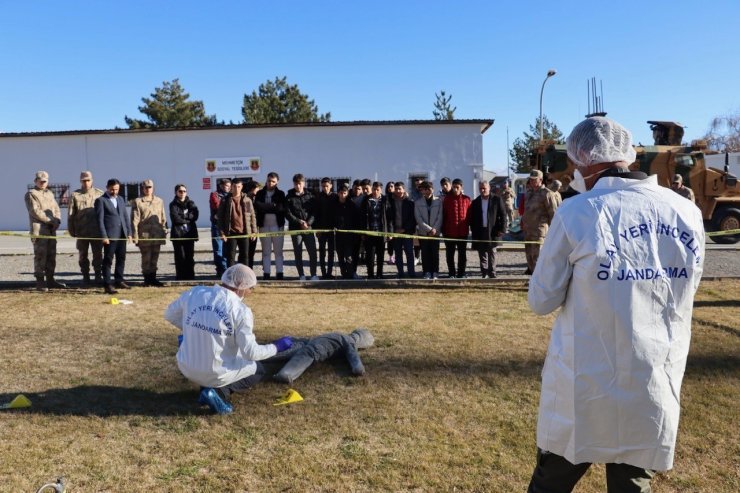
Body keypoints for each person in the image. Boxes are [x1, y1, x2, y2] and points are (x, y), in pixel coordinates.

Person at [527, 116, 705, 493]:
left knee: (551, 484)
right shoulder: (686, 212)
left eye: (575, 164)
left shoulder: (577, 213)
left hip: (586, 380)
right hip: (652, 377)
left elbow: (542, 300)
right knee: (632, 484)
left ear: (584, 160)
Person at [164, 264, 293, 415]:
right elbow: (251, 353)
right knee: (257, 369)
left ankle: (206, 386)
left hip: (186, 365)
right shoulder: (240, 310)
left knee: (219, 352)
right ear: (241, 286)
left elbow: (169, 314)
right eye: (251, 288)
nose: (251, 292)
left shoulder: (196, 292)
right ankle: (219, 393)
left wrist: (192, 329)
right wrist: (276, 347)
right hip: (214, 371)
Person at [269, 328, 374, 384]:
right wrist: (358, 369)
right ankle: (285, 374)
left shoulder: (340, 335)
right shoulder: (349, 341)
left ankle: (261, 355)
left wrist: (294, 340)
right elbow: (353, 357)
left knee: (284, 353)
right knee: (303, 357)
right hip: (315, 350)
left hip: (310, 344)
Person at [24, 170, 65, 291]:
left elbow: (56, 208)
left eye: (44, 181)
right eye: (40, 181)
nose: (42, 183)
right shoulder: (31, 194)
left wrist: (57, 220)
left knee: (51, 255)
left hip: (51, 230)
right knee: (41, 255)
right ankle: (40, 281)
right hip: (40, 230)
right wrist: (49, 221)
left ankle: (51, 279)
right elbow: (35, 211)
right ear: (35, 181)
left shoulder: (50, 194)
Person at [95, 178, 132, 294]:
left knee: (121, 258)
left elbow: (125, 217)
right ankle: (107, 284)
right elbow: (99, 220)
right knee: (108, 260)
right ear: (107, 188)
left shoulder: (120, 199)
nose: (114, 192)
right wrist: (104, 236)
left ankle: (119, 280)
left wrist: (129, 233)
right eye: (112, 189)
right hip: (110, 236)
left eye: (117, 189)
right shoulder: (101, 201)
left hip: (121, 234)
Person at [68, 170, 104, 286]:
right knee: (83, 255)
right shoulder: (75, 195)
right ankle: (86, 276)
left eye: (88, 180)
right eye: (84, 181)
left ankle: (98, 276)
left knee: (98, 255)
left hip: (96, 231)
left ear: (92, 180)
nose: (86, 183)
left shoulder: (100, 194)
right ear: (80, 181)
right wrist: (71, 230)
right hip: (82, 231)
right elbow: (71, 214)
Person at [522, 170, 559, 275]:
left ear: (541, 180)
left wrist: (553, 232)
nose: (532, 182)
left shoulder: (547, 194)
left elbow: (553, 213)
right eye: (531, 180)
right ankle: (533, 279)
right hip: (528, 230)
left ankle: (540, 280)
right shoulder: (529, 193)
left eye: (535, 180)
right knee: (529, 258)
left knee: (538, 258)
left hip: (539, 231)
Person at [131, 179, 167, 286]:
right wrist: (135, 235)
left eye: (150, 187)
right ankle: (147, 279)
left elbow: (163, 217)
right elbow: (134, 219)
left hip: (157, 233)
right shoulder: (138, 202)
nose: (148, 189)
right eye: (146, 187)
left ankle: (153, 278)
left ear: (153, 188)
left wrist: (164, 231)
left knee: (155, 257)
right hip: (145, 234)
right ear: (142, 188)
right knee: (146, 257)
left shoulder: (159, 201)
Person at [217, 178, 257, 268]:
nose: (237, 189)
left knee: (245, 256)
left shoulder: (247, 200)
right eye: (234, 186)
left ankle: (245, 277)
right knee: (230, 257)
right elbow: (220, 218)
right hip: (231, 233)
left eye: (239, 187)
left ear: (242, 187)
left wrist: (254, 231)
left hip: (245, 232)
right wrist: (222, 233)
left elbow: (252, 216)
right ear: (231, 187)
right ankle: (230, 277)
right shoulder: (225, 200)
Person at [469, 181, 506, 278]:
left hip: (494, 230)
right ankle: (484, 272)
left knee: (492, 252)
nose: (482, 190)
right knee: (482, 252)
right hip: (480, 230)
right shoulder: (475, 202)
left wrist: (502, 229)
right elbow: (472, 218)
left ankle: (492, 272)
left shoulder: (497, 199)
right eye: (480, 188)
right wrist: (473, 230)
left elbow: (503, 215)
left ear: (489, 188)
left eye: (484, 188)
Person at [285, 173, 319, 281]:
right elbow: (288, 213)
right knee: (298, 252)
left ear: (303, 183)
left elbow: (314, 212)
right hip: (296, 229)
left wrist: (308, 223)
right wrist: (299, 221)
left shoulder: (310, 195)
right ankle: (301, 275)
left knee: (312, 252)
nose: (298, 186)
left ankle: (313, 274)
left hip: (308, 228)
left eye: (299, 184)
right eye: (296, 184)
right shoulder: (289, 196)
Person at [254, 172, 286, 280]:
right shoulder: (260, 194)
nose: (270, 183)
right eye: (269, 181)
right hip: (264, 226)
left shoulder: (281, 194)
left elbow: (281, 208)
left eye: (273, 181)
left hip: (277, 226)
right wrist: (273, 206)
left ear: (277, 182)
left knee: (278, 251)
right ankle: (266, 273)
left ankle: (280, 273)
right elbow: (258, 206)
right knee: (266, 251)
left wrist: (266, 207)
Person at [442, 178, 471, 278]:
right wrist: (444, 231)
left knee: (462, 255)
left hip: (463, 232)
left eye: (457, 187)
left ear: (461, 187)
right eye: (453, 187)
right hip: (449, 232)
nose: (455, 189)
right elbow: (443, 216)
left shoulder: (467, 199)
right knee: (450, 255)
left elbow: (470, 216)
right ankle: (451, 273)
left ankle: (461, 273)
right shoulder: (446, 199)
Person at [360, 181, 390, 279]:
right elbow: (362, 217)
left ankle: (379, 274)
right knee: (370, 255)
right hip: (370, 232)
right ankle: (370, 274)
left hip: (381, 232)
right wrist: (363, 232)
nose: (375, 191)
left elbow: (389, 218)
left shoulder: (385, 200)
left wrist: (390, 232)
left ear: (381, 190)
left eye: (377, 190)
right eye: (374, 189)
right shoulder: (366, 200)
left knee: (380, 255)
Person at [414, 181, 443, 279]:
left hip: (435, 232)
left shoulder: (438, 201)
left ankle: (435, 272)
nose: (427, 191)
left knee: (435, 253)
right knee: (425, 253)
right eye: (424, 189)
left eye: (429, 189)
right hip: (423, 232)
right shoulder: (418, 203)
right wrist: (429, 229)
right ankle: (426, 271)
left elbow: (440, 216)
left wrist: (434, 229)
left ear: (433, 189)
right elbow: (418, 218)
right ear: (422, 190)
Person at [169, 184, 199, 280]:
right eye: (180, 191)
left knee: (189, 256)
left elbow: (195, 215)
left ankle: (190, 275)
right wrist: (187, 218)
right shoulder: (172, 204)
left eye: (184, 191)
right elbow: (175, 219)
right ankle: (181, 276)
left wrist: (185, 217)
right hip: (178, 234)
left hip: (189, 234)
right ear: (176, 192)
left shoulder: (191, 203)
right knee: (180, 256)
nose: (182, 193)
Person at [389, 182, 417, 278]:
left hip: (407, 231)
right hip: (395, 232)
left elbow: (413, 218)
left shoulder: (410, 202)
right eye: (396, 189)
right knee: (398, 253)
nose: (397, 191)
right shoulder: (390, 202)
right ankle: (400, 273)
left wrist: (404, 229)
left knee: (409, 252)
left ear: (403, 190)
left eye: (399, 189)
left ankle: (411, 273)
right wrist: (393, 230)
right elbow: (389, 218)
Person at [332, 184, 360, 279]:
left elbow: (356, 219)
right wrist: (334, 227)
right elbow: (331, 219)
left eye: (344, 193)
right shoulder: (334, 205)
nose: (342, 195)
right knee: (340, 257)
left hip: (349, 236)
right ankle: (344, 274)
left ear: (347, 193)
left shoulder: (351, 205)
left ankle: (351, 273)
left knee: (348, 256)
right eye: (341, 193)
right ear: (338, 193)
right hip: (338, 235)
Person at [208, 178, 231, 276]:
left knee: (227, 249)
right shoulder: (215, 194)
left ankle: (227, 269)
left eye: (230, 186)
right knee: (218, 249)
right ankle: (221, 269)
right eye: (227, 186)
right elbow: (217, 206)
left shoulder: (231, 195)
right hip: (217, 225)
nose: (229, 188)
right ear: (221, 185)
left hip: (228, 226)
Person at [315, 177, 336, 279]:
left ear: (331, 186)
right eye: (323, 186)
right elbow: (316, 214)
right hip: (321, 230)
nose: (325, 188)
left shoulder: (335, 197)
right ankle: (323, 273)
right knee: (322, 252)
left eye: (327, 186)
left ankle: (329, 272)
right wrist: (317, 229)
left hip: (332, 230)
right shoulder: (318, 197)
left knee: (331, 252)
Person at [244, 180, 261, 269]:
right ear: (251, 189)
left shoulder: (256, 199)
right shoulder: (246, 199)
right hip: (247, 229)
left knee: (251, 252)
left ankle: (250, 269)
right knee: (246, 252)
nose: (258, 191)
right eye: (257, 189)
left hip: (254, 228)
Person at [384, 181, 396, 265]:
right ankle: (391, 256)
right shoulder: (385, 198)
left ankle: (397, 257)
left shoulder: (397, 198)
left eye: (392, 186)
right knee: (390, 241)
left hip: (397, 222)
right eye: (388, 187)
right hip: (388, 222)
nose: (390, 188)